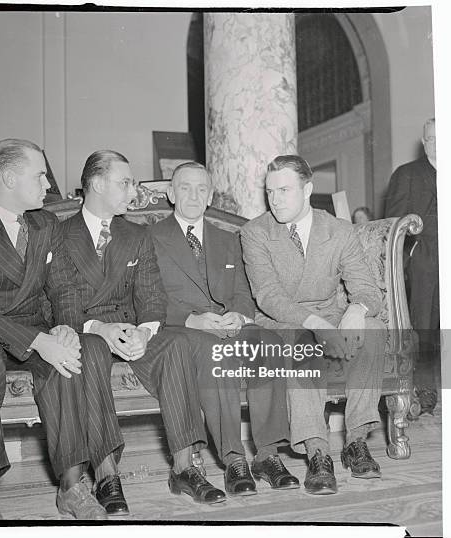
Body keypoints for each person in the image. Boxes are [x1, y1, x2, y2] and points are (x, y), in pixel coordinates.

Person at [0, 139, 120, 520]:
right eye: (39, 175)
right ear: (7, 178)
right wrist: (39, 341)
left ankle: (71, 486)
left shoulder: (46, 223)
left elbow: (65, 288)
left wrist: (67, 330)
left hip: (35, 328)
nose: (47, 184)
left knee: (71, 354)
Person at [47, 150, 226, 513]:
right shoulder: (59, 235)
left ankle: (184, 467)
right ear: (97, 184)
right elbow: (61, 302)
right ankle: (106, 472)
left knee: (175, 343)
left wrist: (145, 331)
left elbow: (151, 295)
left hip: (131, 330)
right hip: (87, 330)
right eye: (125, 182)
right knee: (94, 350)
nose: (134, 189)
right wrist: (100, 328)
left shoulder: (137, 235)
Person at [150, 162, 299, 495]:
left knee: (268, 342)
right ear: (171, 194)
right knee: (217, 354)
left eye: (201, 189)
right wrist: (192, 320)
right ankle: (234, 459)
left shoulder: (227, 238)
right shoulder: (152, 238)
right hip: (183, 328)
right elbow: (145, 296)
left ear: (210, 197)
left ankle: (267, 454)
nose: (193, 195)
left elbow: (244, 291)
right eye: (185, 187)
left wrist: (239, 315)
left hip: (228, 323)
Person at [241, 155, 387, 495]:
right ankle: (318, 452)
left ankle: (356, 441)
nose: (274, 199)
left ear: (308, 189)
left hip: (331, 312)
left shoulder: (338, 230)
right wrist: (318, 324)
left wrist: (357, 310)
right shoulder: (255, 232)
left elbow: (366, 288)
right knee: (302, 341)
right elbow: (268, 296)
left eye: (284, 190)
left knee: (374, 329)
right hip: (284, 320)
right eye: (269, 191)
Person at [384, 118, 439, 412]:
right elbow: (392, 226)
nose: (437, 144)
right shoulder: (406, 175)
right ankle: (425, 390)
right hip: (424, 265)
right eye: (431, 139)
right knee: (425, 330)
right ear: (424, 142)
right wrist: (406, 265)